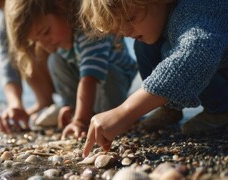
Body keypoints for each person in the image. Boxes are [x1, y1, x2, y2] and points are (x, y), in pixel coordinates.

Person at [80, 0, 228, 156]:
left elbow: (197, 55)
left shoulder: (197, 8)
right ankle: (170, 108)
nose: (126, 31)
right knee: (144, 45)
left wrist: (125, 112)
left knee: (172, 51)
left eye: (130, 18)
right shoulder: (169, 17)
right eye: (119, 27)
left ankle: (221, 110)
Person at [4, 0, 137, 139]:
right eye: (37, 40)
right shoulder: (62, 42)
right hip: (93, 86)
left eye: (46, 32)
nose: (44, 43)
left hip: (115, 78)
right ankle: (73, 109)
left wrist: (80, 121)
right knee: (54, 60)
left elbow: (90, 77)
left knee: (104, 73)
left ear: (61, 7)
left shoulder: (90, 27)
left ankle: (97, 114)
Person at [0, 0, 55, 133]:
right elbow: (8, 68)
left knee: (36, 46)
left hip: (65, 67)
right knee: (22, 54)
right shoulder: (3, 26)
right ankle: (44, 103)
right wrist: (15, 104)